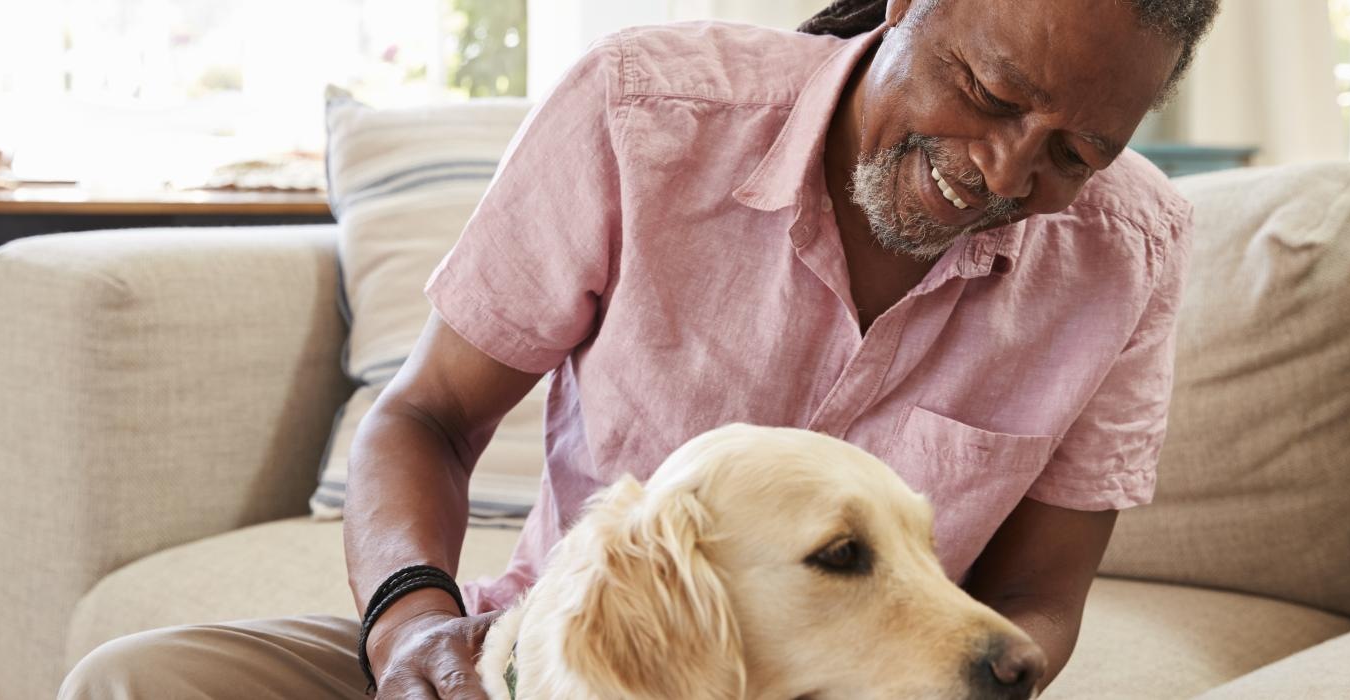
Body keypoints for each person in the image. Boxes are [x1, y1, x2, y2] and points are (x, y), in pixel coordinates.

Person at [60, 0, 1221, 697]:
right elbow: (425, 417)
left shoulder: (1129, 251)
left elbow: (1036, 600)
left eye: (1076, 151)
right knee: (138, 681)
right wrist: (412, 630)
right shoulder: (643, 112)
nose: (1009, 172)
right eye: (988, 90)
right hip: (564, 656)